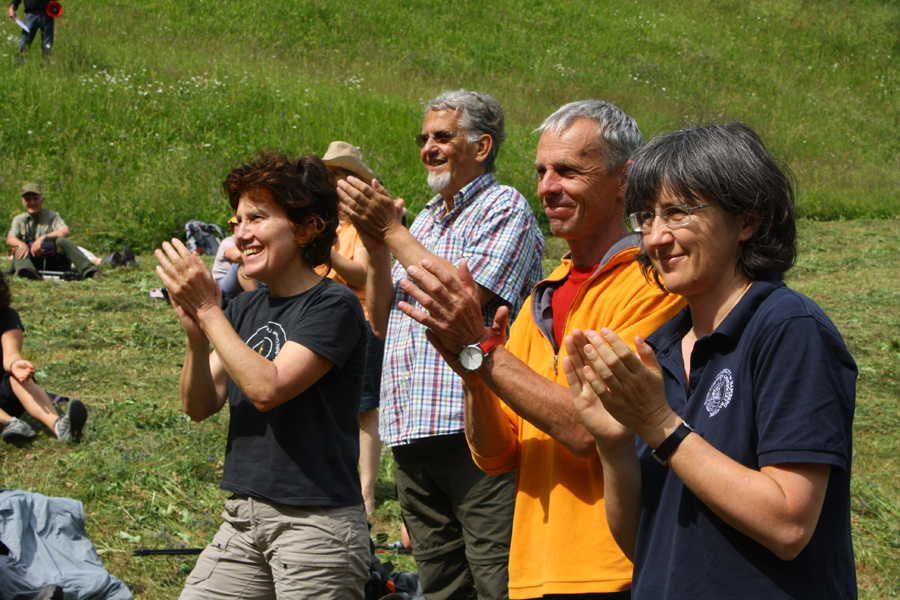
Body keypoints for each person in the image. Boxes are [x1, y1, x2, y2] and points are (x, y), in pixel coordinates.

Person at [393, 101, 685, 599]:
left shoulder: (654, 284)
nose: (547, 188)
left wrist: (482, 347)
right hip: (532, 575)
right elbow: (497, 455)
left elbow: (591, 429)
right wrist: (473, 376)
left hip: (616, 572)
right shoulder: (538, 301)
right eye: (541, 172)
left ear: (625, 179)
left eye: (568, 171)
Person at [564, 123, 857, 599]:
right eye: (646, 217)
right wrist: (612, 443)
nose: (656, 238)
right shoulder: (657, 351)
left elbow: (788, 524)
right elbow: (643, 545)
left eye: (677, 213)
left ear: (748, 221)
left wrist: (661, 425)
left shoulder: (788, 328)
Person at [338, 89, 544, 600]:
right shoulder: (426, 219)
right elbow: (380, 318)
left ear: (482, 146)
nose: (428, 148)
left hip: (477, 430)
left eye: (442, 137)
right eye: (423, 138)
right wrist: (377, 249)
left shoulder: (505, 207)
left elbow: (460, 295)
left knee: (498, 580)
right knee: (442, 585)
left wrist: (392, 231)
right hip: (412, 431)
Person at [156, 152, 370, 599]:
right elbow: (199, 406)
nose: (241, 233)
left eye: (257, 218)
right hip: (242, 519)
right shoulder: (245, 307)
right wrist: (197, 339)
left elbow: (267, 388)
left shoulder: (333, 304)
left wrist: (209, 311)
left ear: (305, 227)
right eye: (237, 221)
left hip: (315, 527)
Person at [321, 140, 386, 517]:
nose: (332, 182)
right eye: (328, 175)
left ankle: (366, 491)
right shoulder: (324, 224)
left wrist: (325, 251)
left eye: (338, 175)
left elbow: (361, 274)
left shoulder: (362, 227)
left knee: (364, 410)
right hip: (324, 323)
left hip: (362, 322)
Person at [0, 272, 87, 443]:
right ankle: (11, 423)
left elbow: (11, 354)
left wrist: (16, 364)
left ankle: (59, 427)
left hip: (5, 394)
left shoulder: (7, 316)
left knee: (18, 378)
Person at [6, 184, 101, 281]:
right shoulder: (18, 219)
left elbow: (65, 231)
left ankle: (91, 271)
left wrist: (43, 238)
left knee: (62, 240)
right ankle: (27, 272)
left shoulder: (53, 216)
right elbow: (10, 238)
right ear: (23, 202)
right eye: (28, 199)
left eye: (35, 199)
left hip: (53, 261)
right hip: (31, 261)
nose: (32, 202)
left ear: (42, 200)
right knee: (18, 247)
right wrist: (21, 244)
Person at [211, 216, 258, 300]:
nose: (240, 226)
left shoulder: (250, 241)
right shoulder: (228, 241)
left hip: (247, 281)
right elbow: (238, 256)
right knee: (242, 266)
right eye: (237, 223)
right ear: (232, 227)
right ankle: (256, 300)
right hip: (221, 285)